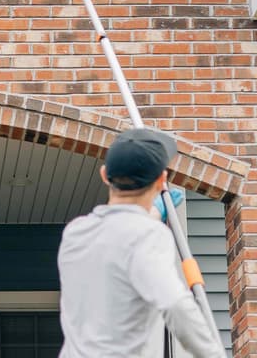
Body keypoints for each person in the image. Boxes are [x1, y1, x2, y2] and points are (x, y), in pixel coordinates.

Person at [57, 128, 225, 358]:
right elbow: (175, 305)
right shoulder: (148, 236)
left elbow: (119, 237)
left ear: (105, 175)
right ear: (161, 180)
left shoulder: (75, 233)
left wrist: (154, 213)